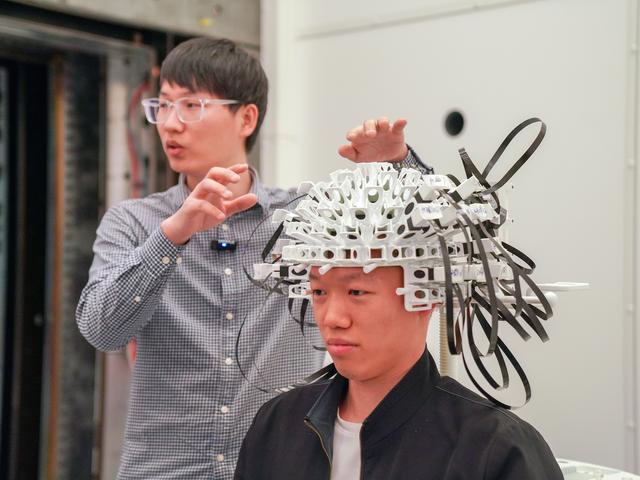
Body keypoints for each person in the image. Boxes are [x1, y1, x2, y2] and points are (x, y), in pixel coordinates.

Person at [75, 37, 431, 479]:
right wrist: (172, 235)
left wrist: (398, 165)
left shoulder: (305, 216)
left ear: (246, 117)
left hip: (280, 466)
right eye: (162, 106)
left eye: (191, 106)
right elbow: (101, 330)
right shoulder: (134, 221)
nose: (170, 123)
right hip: (164, 470)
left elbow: (431, 236)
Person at [234, 160, 564, 479]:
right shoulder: (276, 427)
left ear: (426, 296)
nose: (332, 318)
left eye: (357, 292)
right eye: (319, 292)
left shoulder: (493, 450)